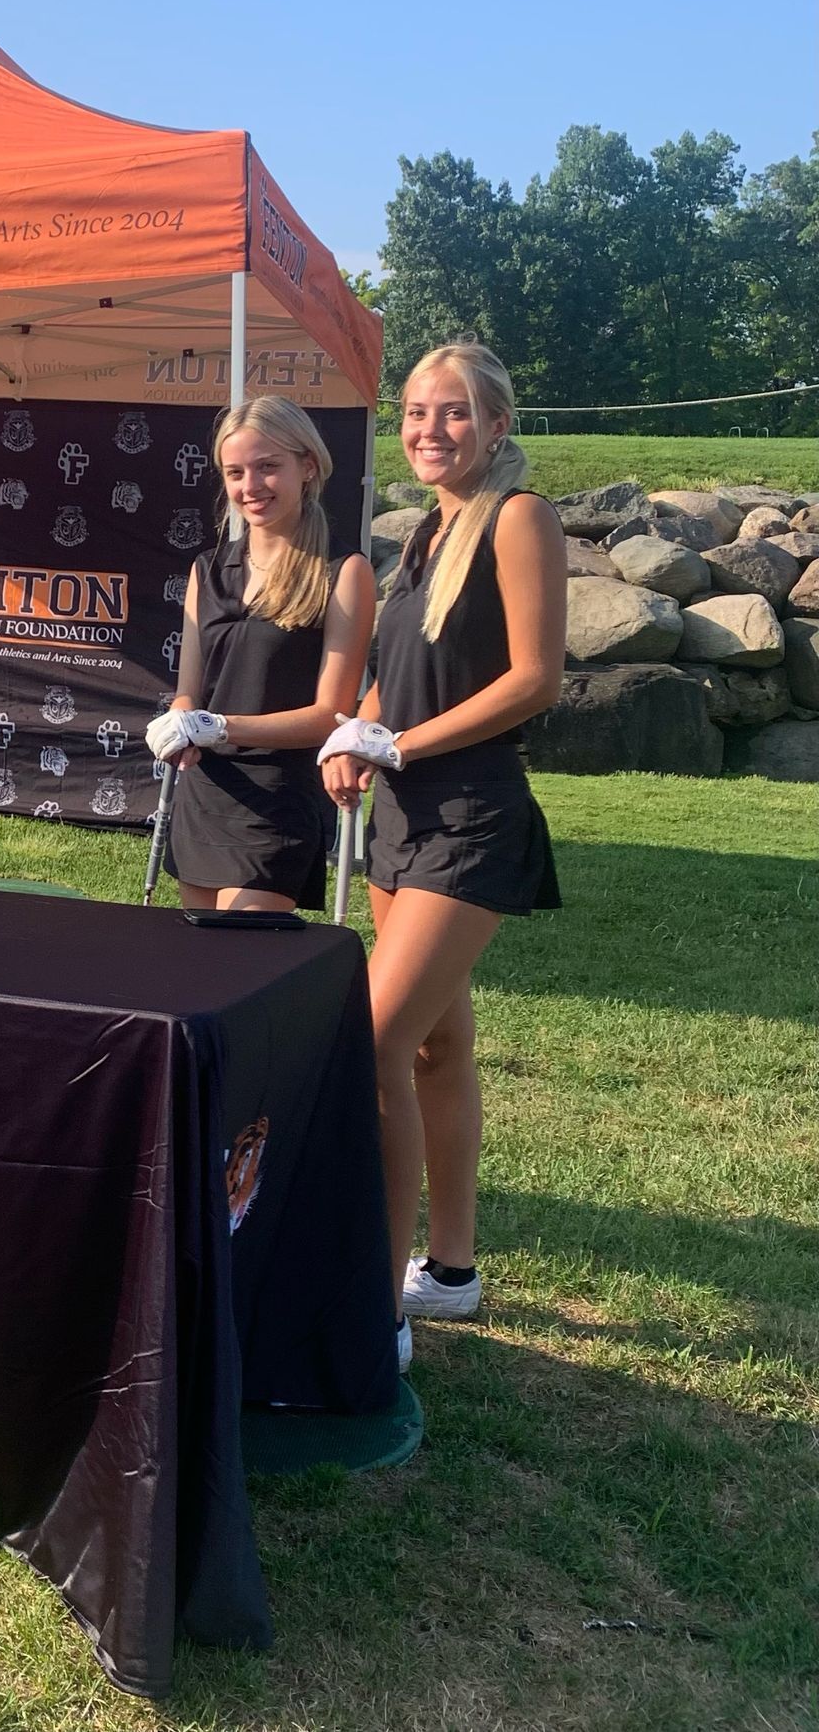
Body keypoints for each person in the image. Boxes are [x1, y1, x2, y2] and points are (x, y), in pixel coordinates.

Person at [319, 340, 565, 1373]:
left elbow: (535, 678)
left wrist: (404, 744)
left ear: (497, 424)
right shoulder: (427, 529)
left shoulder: (519, 517)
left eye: (454, 411)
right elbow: (400, 675)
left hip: (471, 818)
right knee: (434, 1047)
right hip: (401, 818)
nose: (430, 429)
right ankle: (452, 1272)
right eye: (417, 412)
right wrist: (357, 731)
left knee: (371, 1045)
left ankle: (377, 1310)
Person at [145, 397, 375, 911]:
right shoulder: (207, 569)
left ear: (307, 466)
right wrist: (180, 723)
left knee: (241, 949)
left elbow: (330, 715)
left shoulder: (343, 572)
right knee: (200, 954)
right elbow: (188, 692)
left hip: (278, 801)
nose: (250, 486)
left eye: (268, 466)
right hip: (205, 793)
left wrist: (219, 727)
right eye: (235, 472)